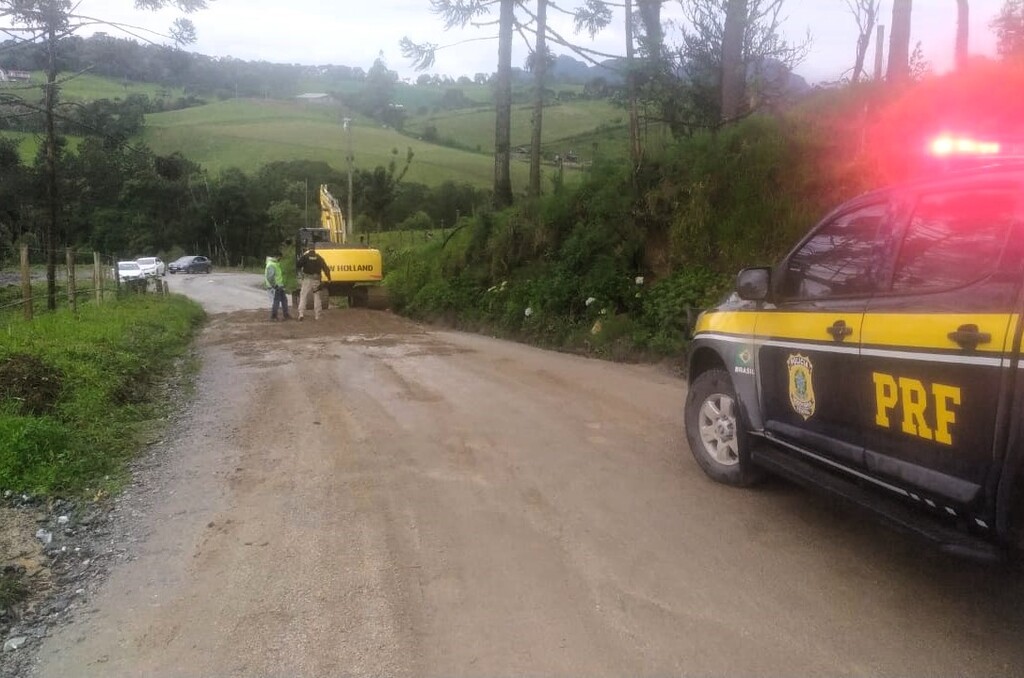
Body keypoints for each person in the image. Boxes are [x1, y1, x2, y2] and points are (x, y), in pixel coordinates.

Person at [296, 243, 331, 321]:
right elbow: (326, 268)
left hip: (307, 279)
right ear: (314, 249)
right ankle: (317, 315)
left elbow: (298, 264)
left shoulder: (305, 257)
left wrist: (301, 271)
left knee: (303, 295)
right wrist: (329, 278)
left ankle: (301, 314)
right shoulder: (319, 258)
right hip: (316, 280)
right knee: (317, 297)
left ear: (308, 248)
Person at [265, 252, 291, 321]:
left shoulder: (275, 264)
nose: (280, 259)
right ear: (277, 256)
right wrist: (275, 286)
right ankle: (273, 316)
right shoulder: (271, 265)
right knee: (276, 301)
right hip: (276, 287)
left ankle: (286, 315)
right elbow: (270, 277)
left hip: (280, 286)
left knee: (284, 300)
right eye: (280, 257)